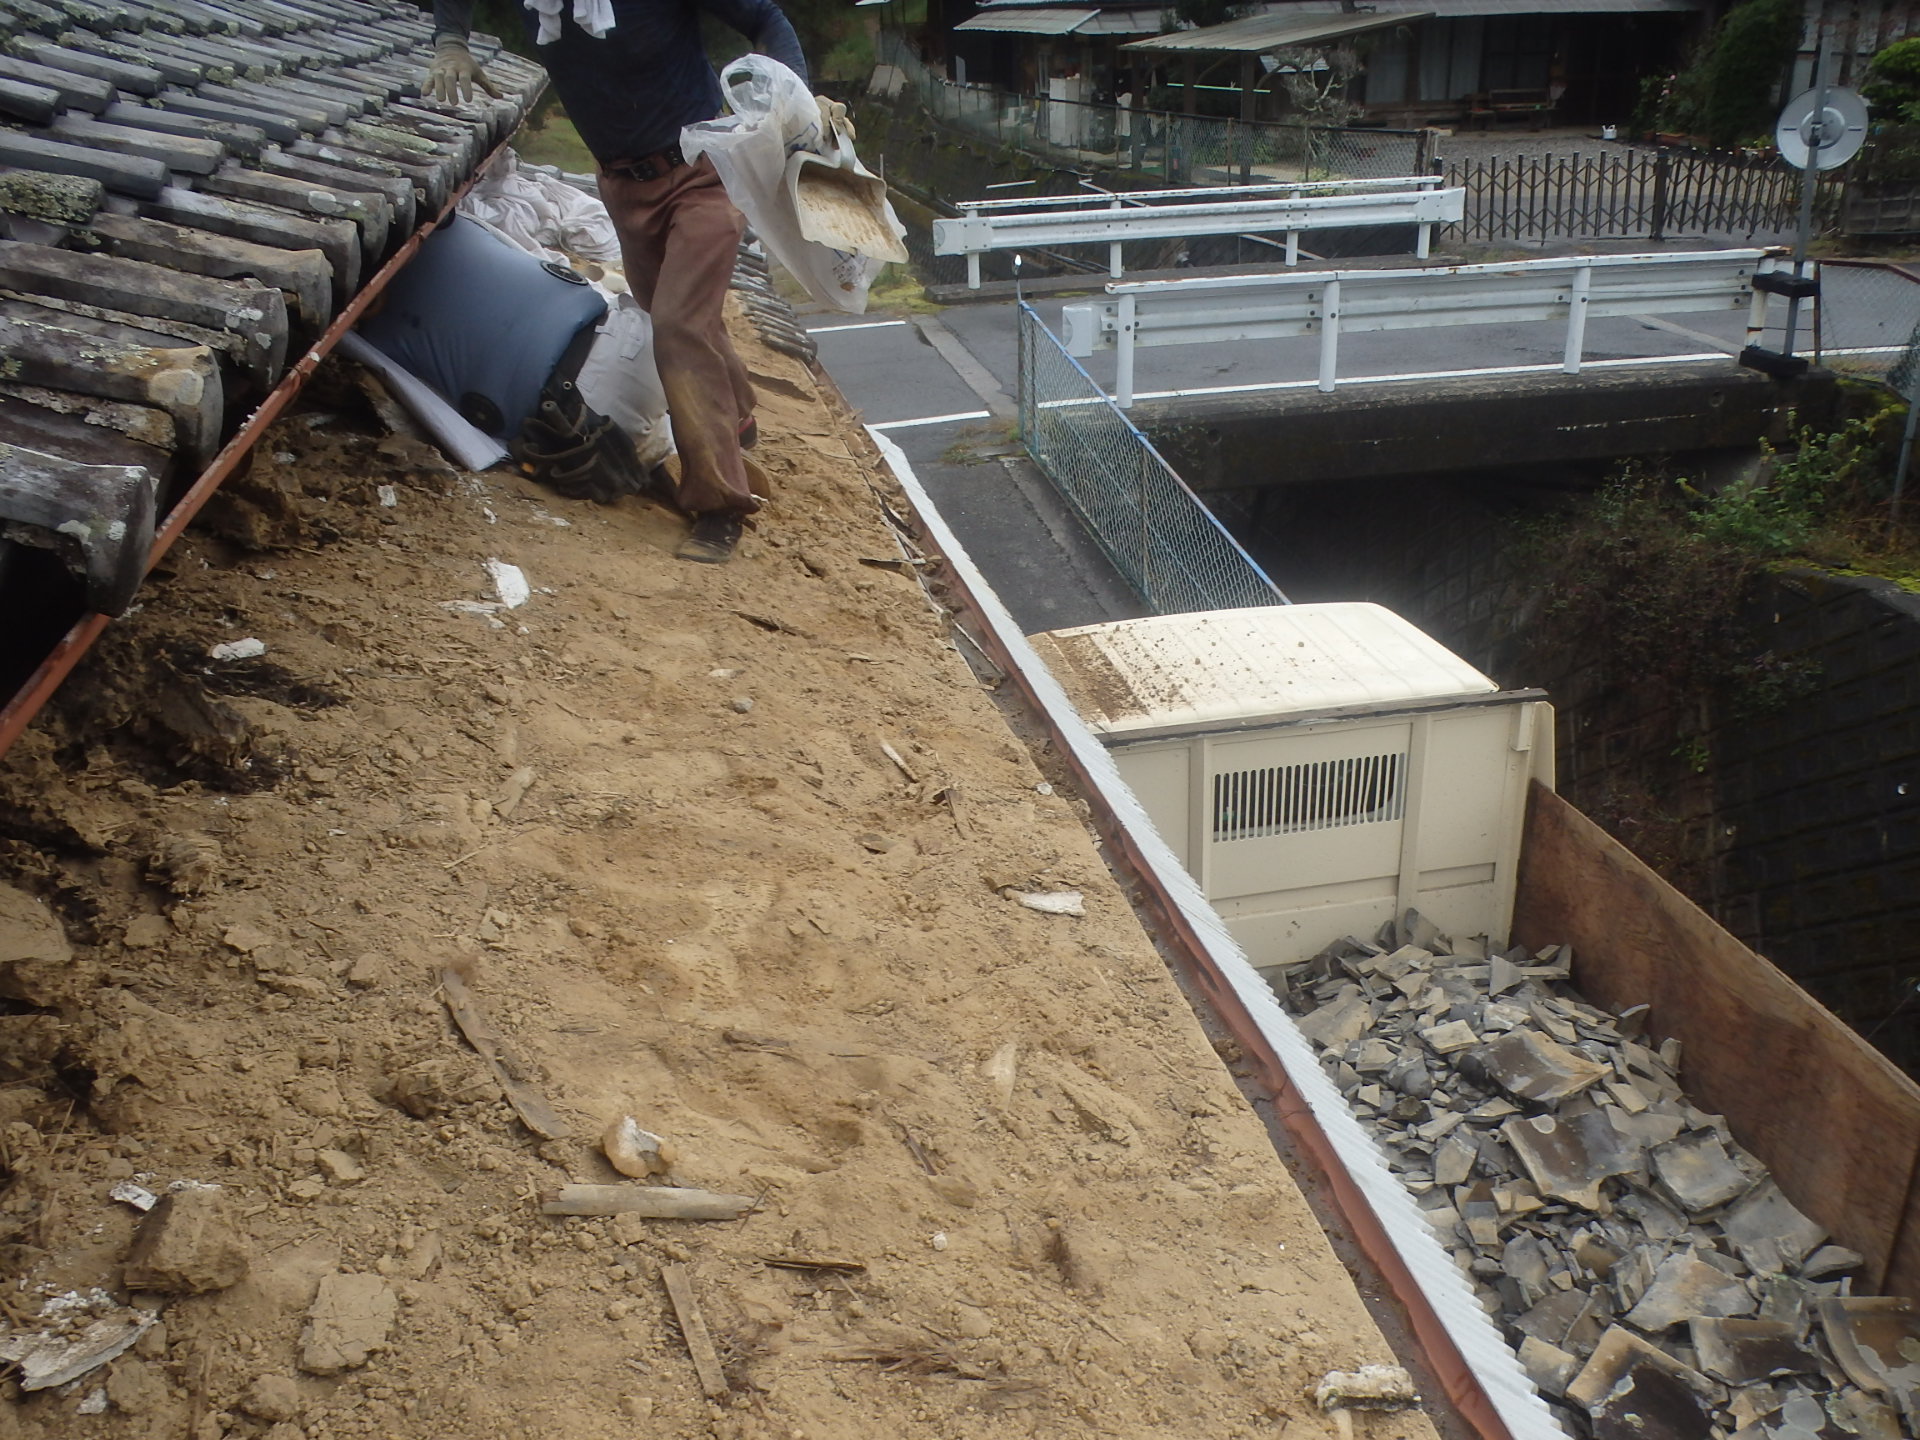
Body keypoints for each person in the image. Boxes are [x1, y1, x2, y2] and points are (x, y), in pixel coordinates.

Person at [426, 0, 813, 564]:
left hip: (703, 173)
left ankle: (720, 505)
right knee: (673, 312)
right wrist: (450, 43)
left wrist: (793, 107)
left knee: (678, 327)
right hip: (624, 188)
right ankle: (739, 413)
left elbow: (766, 19)